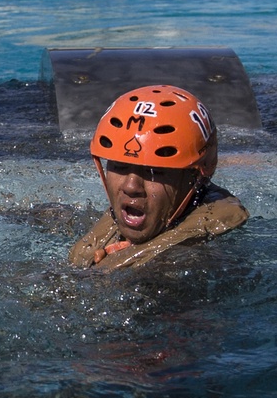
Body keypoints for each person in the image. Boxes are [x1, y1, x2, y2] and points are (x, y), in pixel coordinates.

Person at [69, 84, 249, 271]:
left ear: (197, 174)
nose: (131, 186)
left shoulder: (216, 237)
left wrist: (125, 263)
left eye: (155, 171)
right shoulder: (120, 220)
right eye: (120, 166)